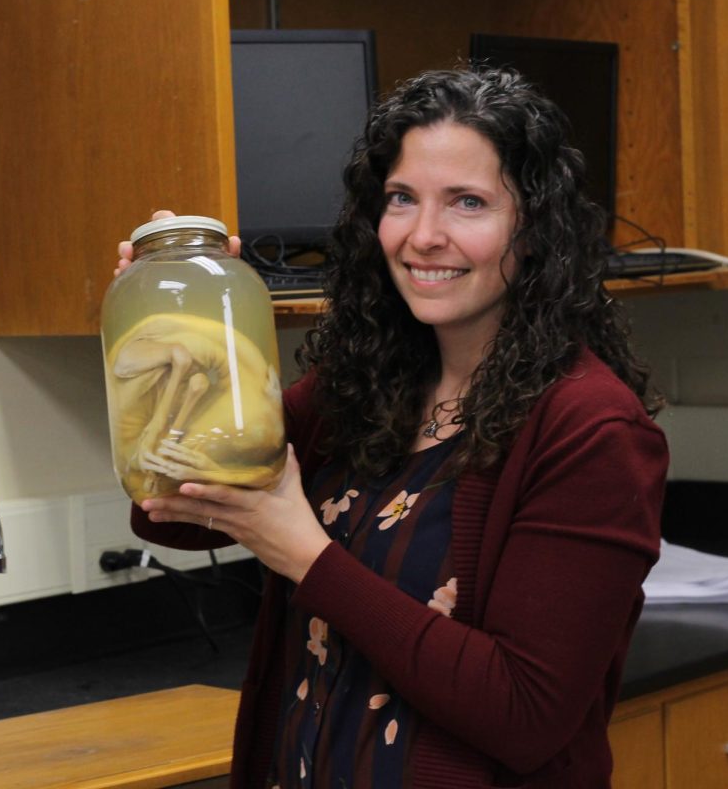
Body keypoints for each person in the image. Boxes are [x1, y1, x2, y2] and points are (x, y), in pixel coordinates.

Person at [117, 68, 668, 789]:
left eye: (467, 203)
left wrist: (305, 554)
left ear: (533, 230)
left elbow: (527, 714)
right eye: (402, 199)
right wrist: (190, 315)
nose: (423, 236)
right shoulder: (370, 385)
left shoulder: (591, 430)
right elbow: (174, 509)